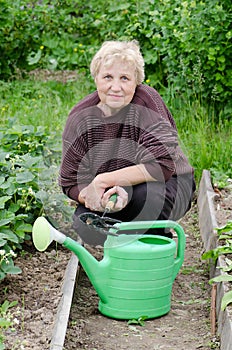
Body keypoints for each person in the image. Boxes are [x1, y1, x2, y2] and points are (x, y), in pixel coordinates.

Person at [59, 40, 196, 245]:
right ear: (96, 78)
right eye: (108, 77)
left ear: (136, 82)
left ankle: (153, 246)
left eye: (125, 78)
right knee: (84, 224)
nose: (116, 87)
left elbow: (162, 166)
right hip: (113, 194)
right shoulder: (81, 117)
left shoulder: (146, 102)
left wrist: (103, 180)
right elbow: (70, 181)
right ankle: (121, 248)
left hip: (170, 185)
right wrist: (96, 196)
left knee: (148, 198)